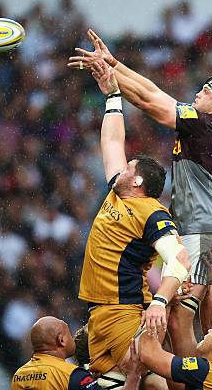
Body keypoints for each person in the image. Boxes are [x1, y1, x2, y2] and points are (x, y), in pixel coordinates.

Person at [68, 29, 212, 359]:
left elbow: (151, 101)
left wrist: (113, 77)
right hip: (203, 227)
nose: (197, 93)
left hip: (197, 231)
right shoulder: (209, 126)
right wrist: (113, 64)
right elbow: (152, 91)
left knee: (180, 317)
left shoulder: (204, 123)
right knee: (209, 303)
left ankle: (201, 378)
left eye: (205, 91)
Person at [78, 61, 191, 386]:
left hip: (124, 310)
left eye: (128, 167)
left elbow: (179, 259)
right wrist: (113, 95)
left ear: (137, 180)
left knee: (149, 376)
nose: (120, 168)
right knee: (129, 380)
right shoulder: (118, 192)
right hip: (101, 312)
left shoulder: (152, 212)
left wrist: (159, 301)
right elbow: (112, 142)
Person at [11, 316, 140, 390]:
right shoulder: (71, 375)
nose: (72, 336)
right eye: (68, 332)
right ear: (61, 340)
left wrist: (88, 382)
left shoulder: (19, 375)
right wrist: (133, 375)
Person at [137, 320, 212, 390]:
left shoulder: (205, 370)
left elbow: (148, 355)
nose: (209, 330)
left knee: (151, 380)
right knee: (154, 383)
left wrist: (151, 319)